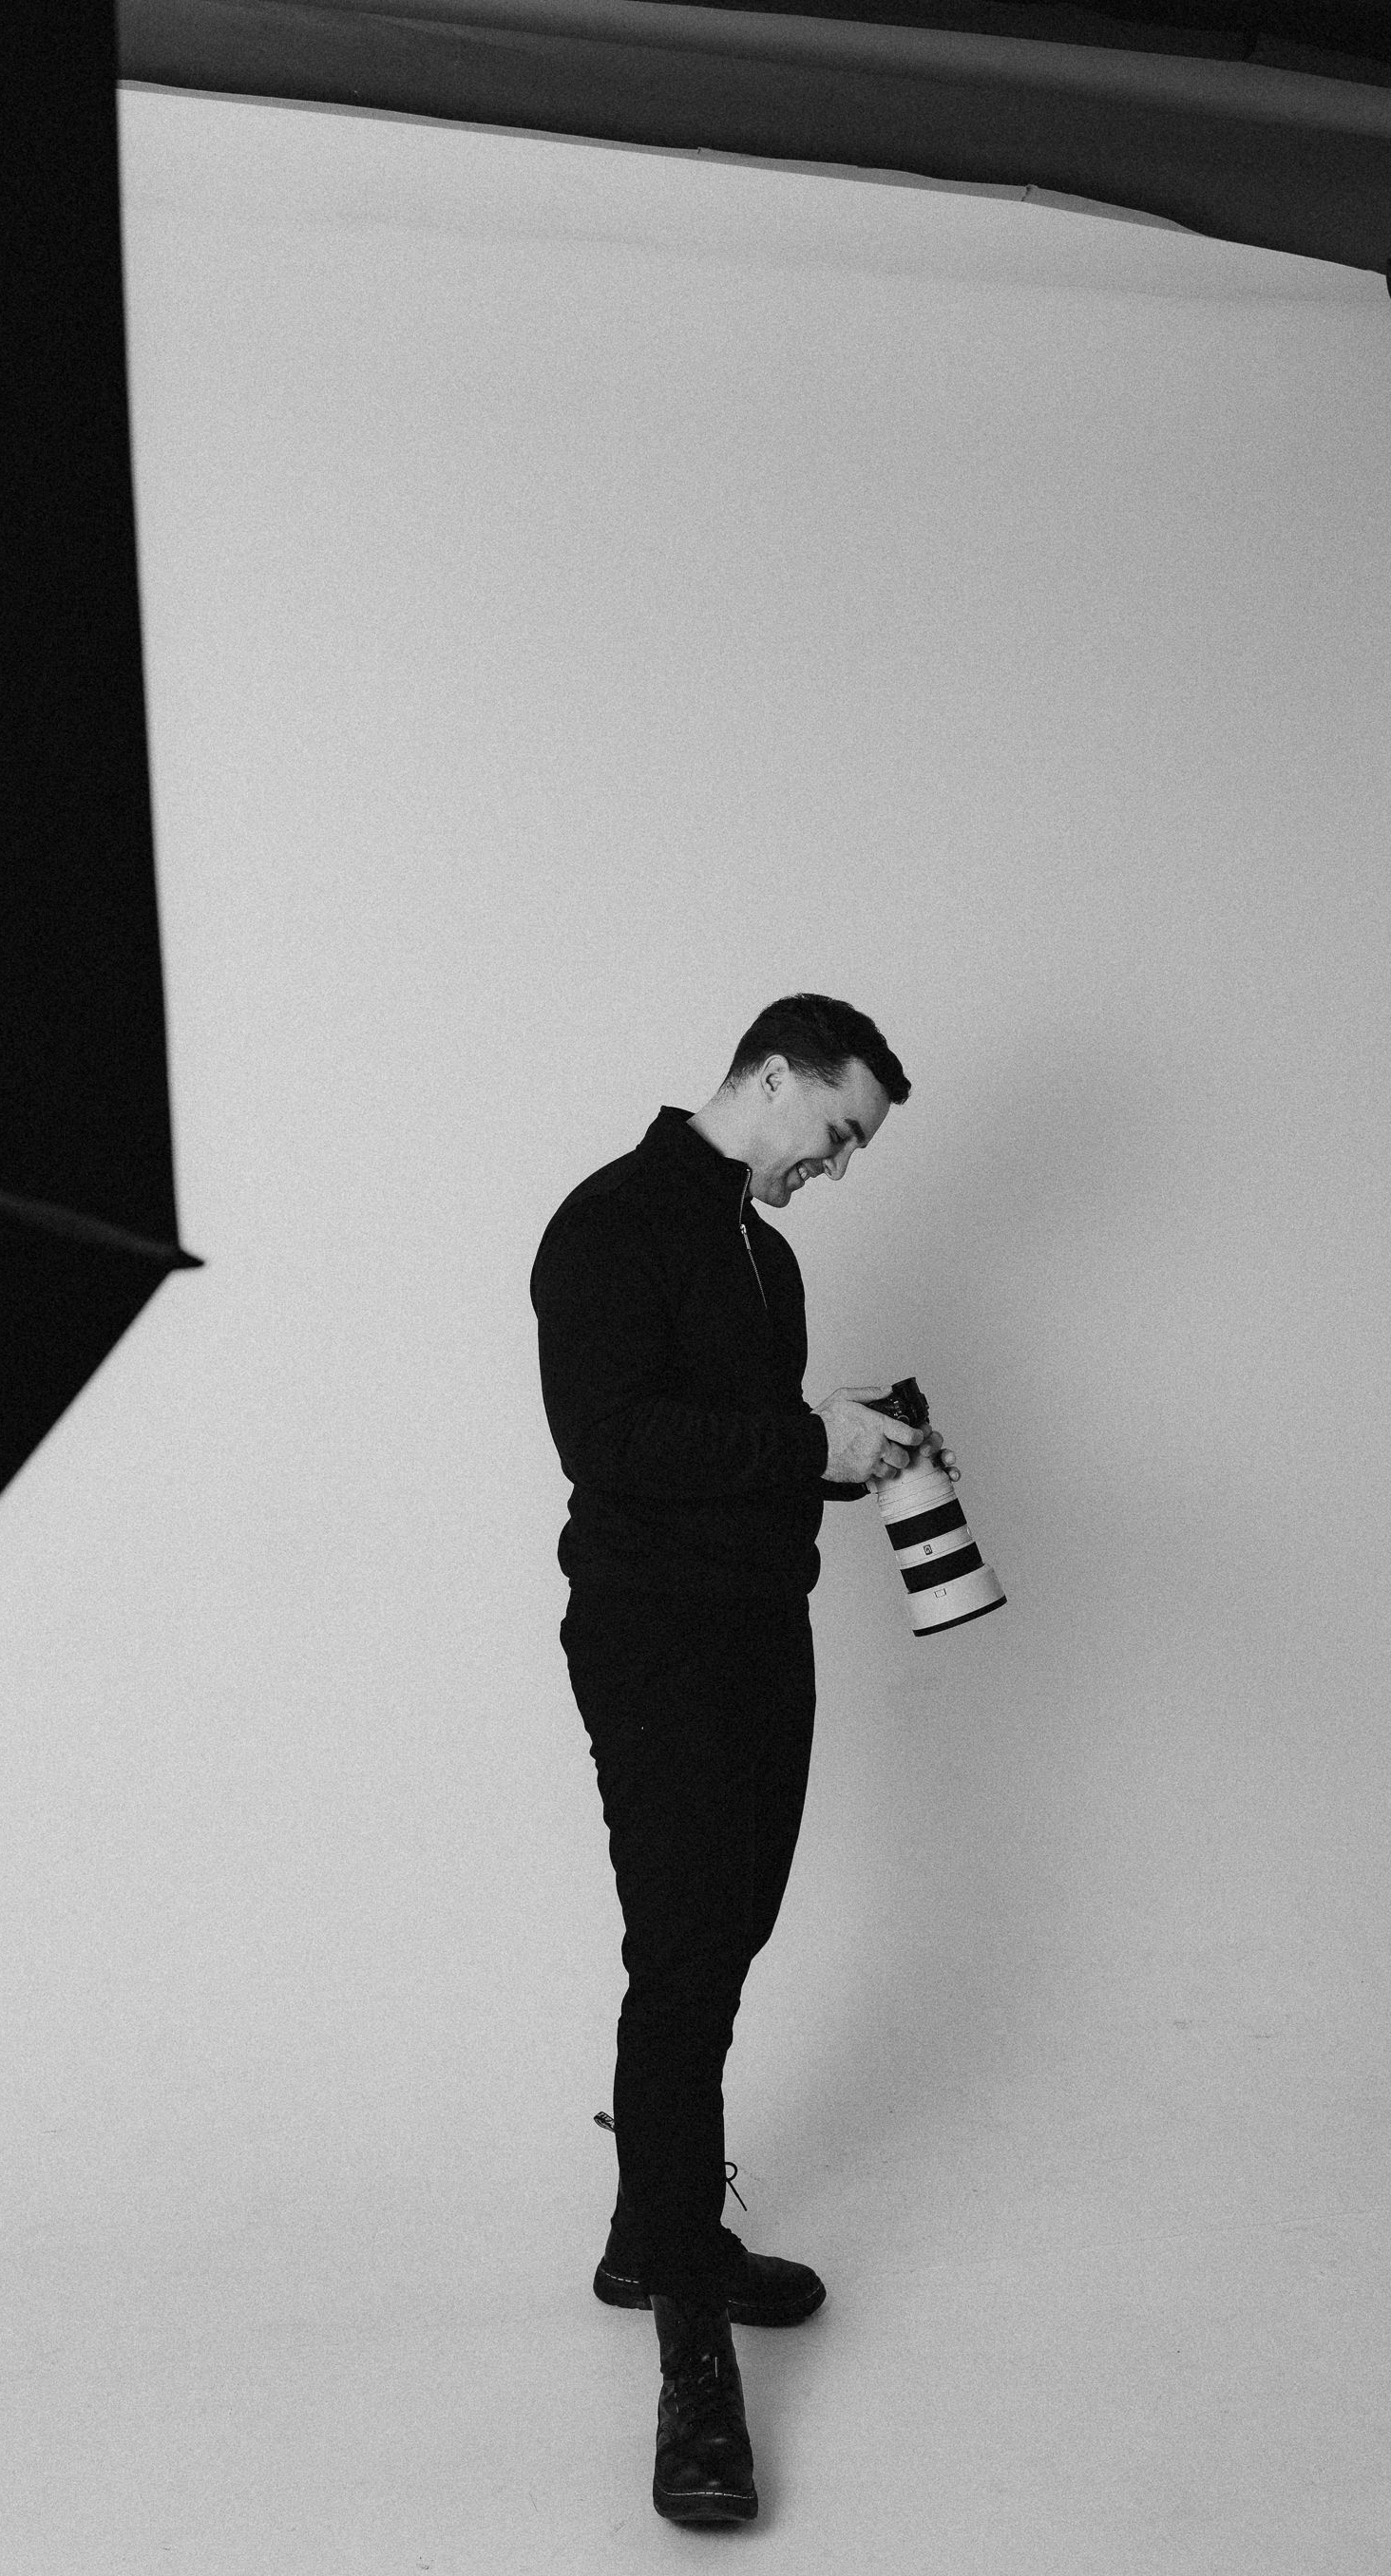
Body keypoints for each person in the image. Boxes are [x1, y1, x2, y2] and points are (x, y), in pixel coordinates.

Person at [529, 992, 958, 2525]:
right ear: (772, 1076)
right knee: (684, 1964)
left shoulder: (766, 1259)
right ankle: (690, 2351)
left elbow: (742, 1453)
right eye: (834, 1133)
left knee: (728, 1937)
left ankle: (650, 2241)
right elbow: (612, 1446)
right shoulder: (608, 1226)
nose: (831, 1169)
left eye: (853, 1153)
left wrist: (857, 1452)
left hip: (762, 1636)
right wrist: (802, 1443)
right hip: (653, 1643)